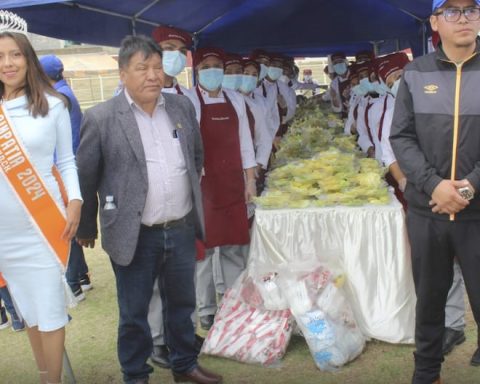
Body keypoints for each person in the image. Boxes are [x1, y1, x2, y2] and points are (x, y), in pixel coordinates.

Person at [76, 35, 222, 384]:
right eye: (142, 68)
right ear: (123, 73)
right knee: (134, 313)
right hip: (135, 232)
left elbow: (195, 156)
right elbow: (86, 175)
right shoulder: (102, 118)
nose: (153, 75)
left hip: (180, 225)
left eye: (157, 67)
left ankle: (184, 364)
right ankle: (136, 375)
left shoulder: (180, 107)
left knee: (181, 304)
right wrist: (86, 227)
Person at [390, 1, 480, 382]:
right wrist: (435, 185)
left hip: (477, 214)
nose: (463, 18)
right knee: (429, 301)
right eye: (452, 10)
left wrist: (471, 184)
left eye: (471, 9)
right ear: (434, 21)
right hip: (428, 211)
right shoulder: (414, 73)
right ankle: (427, 373)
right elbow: (402, 137)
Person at [0, 11, 82, 384]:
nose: (8, 63)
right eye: (0, 56)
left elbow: (66, 161)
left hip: (44, 225)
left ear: (28, 58)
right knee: (30, 313)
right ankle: (45, 375)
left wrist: (76, 202)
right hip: (5, 234)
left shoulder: (53, 105)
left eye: (15, 54)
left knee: (49, 312)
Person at [185, 47, 257, 331]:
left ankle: (235, 303)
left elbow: (245, 143)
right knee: (204, 253)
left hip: (232, 183)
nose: (213, 71)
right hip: (204, 184)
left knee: (234, 248)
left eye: (218, 66)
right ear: (197, 70)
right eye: (207, 66)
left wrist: (250, 180)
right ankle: (207, 309)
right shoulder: (189, 100)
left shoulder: (236, 99)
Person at [149, 24, 204, 370]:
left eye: (179, 50)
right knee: (154, 278)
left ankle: (181, 335)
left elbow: (195, 148)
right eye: (166, 47)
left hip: (184, 200)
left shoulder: (188, 98)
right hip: (152, 201)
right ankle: (157, 340)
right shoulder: (133, 93)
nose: (173, 55)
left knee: (181, 275)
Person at [39, 54, 93, 301]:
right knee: (71, 223)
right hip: (71, 165)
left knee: (65, 225)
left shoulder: (57, 99)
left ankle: (73, 283)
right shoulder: (65, 92)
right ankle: (81, 276)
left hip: (64, 169)